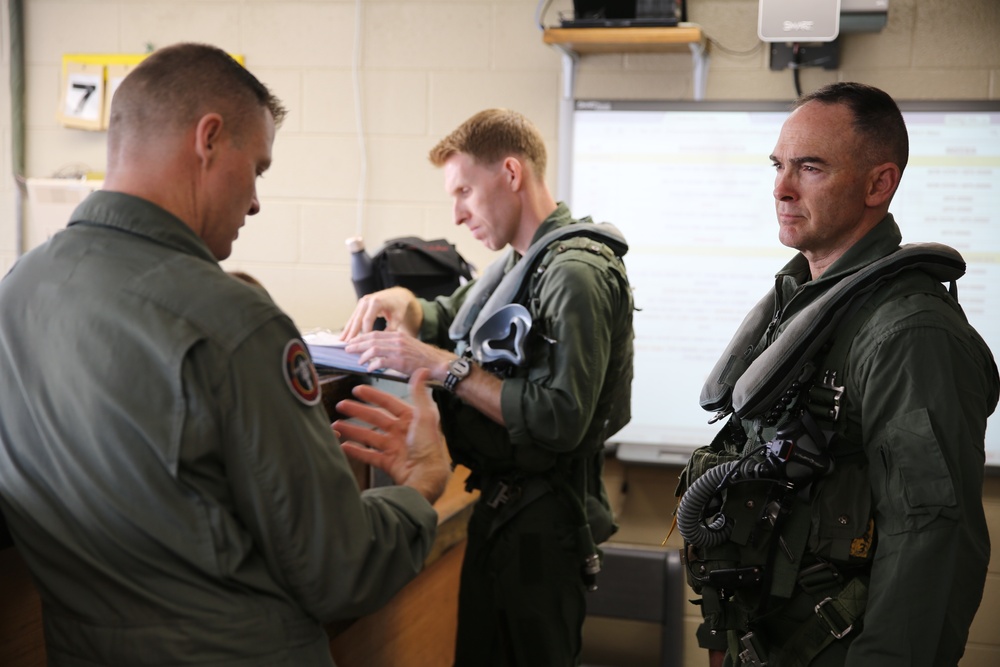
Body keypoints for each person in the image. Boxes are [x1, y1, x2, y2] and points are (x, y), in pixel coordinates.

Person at [0, 42, 452, 666]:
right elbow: (339, 567)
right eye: (258, 168)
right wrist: (419, 485)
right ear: (208, 138)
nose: (257, 201)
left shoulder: (18, 290)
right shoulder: (234, 323)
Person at [676, 82, 999, 667]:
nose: (781, 188)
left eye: (810, 167)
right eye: (778, 165)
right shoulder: (808, 305)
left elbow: (933, 543)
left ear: (879, 184)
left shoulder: (909, 334)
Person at [338, 108, 635, 666]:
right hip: (501, 513)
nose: (457, 215)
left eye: (465, 192)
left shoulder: (575, 271)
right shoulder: (519, 262)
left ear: (511, 173)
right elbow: (448, 315)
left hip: (545, 528)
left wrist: (443, 365)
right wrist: (400, 300)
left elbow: (561, 418)